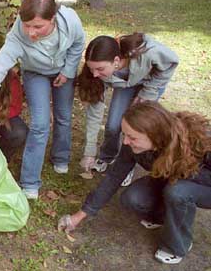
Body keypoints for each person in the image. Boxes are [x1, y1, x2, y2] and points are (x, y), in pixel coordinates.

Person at [0, 0, 85, 199]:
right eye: (27, 25)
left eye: (38, 27)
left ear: (53, 19)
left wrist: (68, 70)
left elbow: (78, 45)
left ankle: (60, 156)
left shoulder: (70, 21)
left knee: (63, 116)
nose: (31, 33)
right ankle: (30, 183)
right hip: (35, 73)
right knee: (40, 124)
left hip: (63, 71)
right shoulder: (17, 36)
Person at [58, 101, 211, 264]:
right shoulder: (131, 145)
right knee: (132, 198)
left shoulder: (199, 139)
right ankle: (162, 216)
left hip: (203, 187)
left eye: (132, 137)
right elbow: (113, 177)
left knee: (177, 192)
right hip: (171, 178)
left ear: (155, 134)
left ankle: (178, 245)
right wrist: (80, 215)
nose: (125, 142)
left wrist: (187, 175)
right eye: (125, 134)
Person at [76, 33, 179, 181]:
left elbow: (171, 62)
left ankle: (126, 166)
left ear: (116, 60)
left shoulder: (148, 52)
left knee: (135, 128)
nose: (95, 74)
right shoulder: (96, 75)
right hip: (126, 84)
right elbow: (94, 115)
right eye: (92, 68)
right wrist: (89, 152)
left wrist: (149, 91)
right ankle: (107, 157)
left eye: (100, 68)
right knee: (113, 126)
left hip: (151, 84)